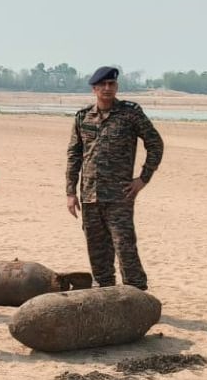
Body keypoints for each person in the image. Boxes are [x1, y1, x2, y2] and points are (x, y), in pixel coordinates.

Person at [65, 66, 163, 290]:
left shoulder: (130, 114)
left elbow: (155, 144)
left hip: (120, 196)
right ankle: (105, 290)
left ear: (116, 87)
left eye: (112, 85)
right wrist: (70, 192)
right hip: (90, 195)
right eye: (103, 85)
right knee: (97, 249)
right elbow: (74, 155)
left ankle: (136, 291)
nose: (108, 89)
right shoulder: (83, 117)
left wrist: (143, 178)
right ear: (94, 89)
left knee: (125, 247)